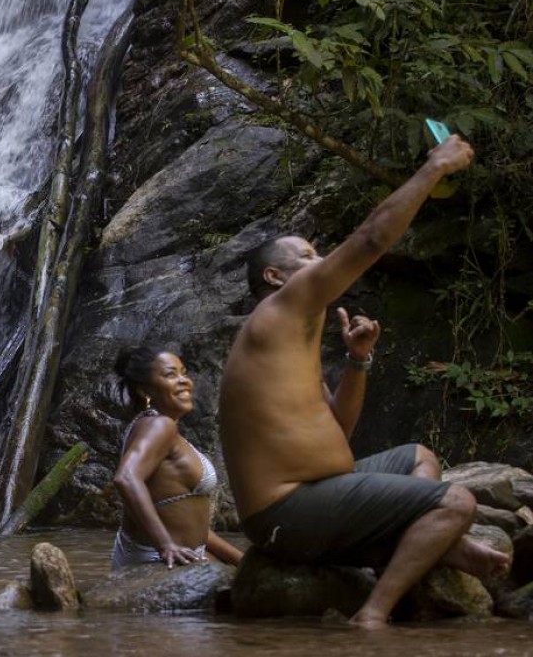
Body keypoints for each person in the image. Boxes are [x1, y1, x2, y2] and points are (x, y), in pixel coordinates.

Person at [219, 135, 510, 628]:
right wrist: (435, 166)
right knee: (458, 500)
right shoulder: (280, 309)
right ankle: (374, 612)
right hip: (286, 515)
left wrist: (357, 362)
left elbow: (338, 430)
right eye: (309, 255)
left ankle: (434, 546)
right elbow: (371, 239)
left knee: (420, 456)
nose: (322, 263)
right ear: (275, 276)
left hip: (320, 493)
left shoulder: (291, 335)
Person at [109, 347, 244, 570]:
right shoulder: (159, 425)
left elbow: (191, 526)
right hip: (157, 559)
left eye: (184, 372)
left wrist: (241, 560)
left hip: (180, 553)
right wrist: (166, 545)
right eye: (171, 375)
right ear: (144, 391)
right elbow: (126, 478)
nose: (184, 381)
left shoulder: (155, 426)